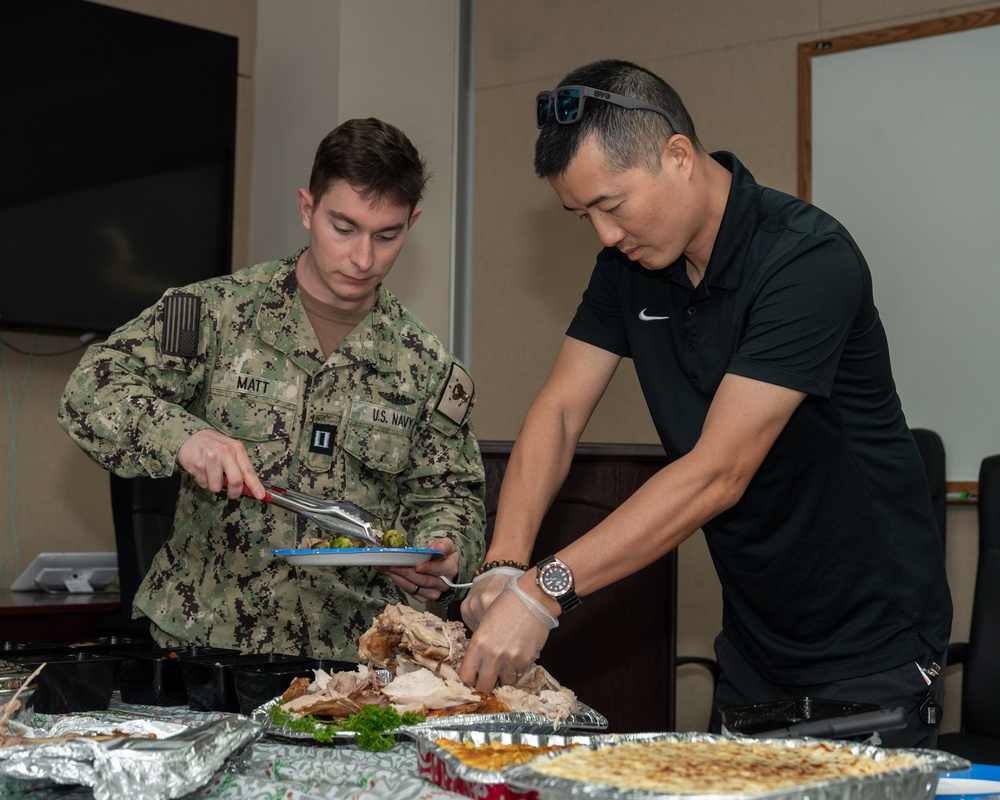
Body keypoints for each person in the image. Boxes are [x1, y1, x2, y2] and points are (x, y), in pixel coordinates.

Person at [458, 60, 951, 748]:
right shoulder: (628, 267)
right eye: (583, 217)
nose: (603, 235)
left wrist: (544, 591)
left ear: (678, 157)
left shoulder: (806, 259)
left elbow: (719, 471)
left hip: (871, 649)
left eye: (611, 204)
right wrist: (504, 563)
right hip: (754, 645)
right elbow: (561, 409)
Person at [59, 117, 486, 660]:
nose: (363, 258)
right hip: (209, 644)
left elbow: (452, 495)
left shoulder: (425, 366)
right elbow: (91, 389)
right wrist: (185, 437)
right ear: (307, 209)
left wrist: (443, 552)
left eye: (387, 236)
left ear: (412, 223)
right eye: (344, 227)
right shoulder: (214, 314)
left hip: (356, 657)